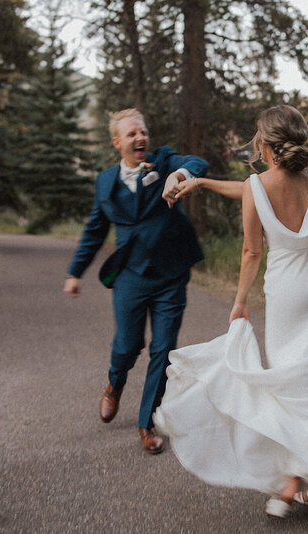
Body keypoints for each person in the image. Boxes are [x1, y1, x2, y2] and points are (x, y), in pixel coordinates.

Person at [154, 105, 308, 517]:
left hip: (290, 293)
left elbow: (251, 250)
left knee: (286, 382)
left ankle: (295, 481)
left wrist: (240, 302)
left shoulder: (260, 185)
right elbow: (251, 190)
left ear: (263, 144)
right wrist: (203, 183)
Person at [63, 108, 209, 454]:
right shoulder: (105, 182)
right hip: (129, 274)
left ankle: (147, 423)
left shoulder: (164, 160)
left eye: (142, 132)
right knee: (128, 345)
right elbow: (94, 231)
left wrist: (180, 175)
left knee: (163, 349)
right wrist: (74, 272)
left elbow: (197, 162)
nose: (140, 138)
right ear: (117, 142)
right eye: (131, 134)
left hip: (170, 273)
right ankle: (115, 385)